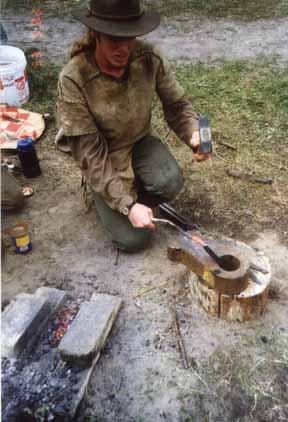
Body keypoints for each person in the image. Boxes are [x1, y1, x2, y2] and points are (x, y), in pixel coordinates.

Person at [56, 0, 211, 252]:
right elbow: (90, 154)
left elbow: (177, 105)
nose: (124, 48)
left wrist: (193, 132)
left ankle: (135, 194)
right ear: (96, 35)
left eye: (130, 38)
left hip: (139, 140)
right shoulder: (74, 78)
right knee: (133, 240)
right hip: (103, 155)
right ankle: (104, 196)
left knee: (169, 182)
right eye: (114, 40)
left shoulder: (148, 57)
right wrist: (126, 205)